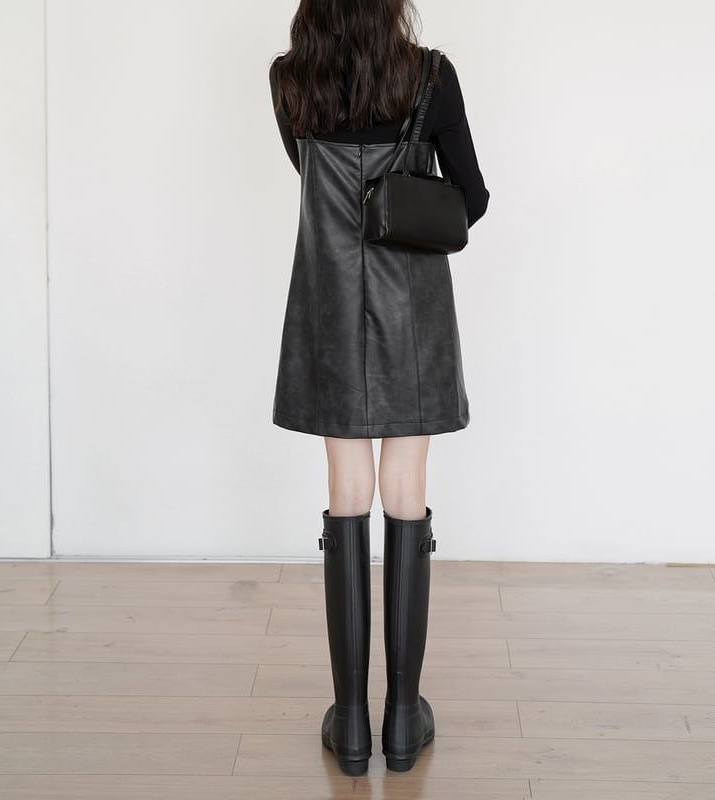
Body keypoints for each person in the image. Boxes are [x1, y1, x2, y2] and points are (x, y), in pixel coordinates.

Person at [268, 0, 489, 777]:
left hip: (330, 294)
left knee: (345, 489)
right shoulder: (430, 77)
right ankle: (401, 719)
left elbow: (308, 173)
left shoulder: (290, 81)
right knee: (406, 486)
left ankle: (352, 724)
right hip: (412, 298)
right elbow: (473, 197)